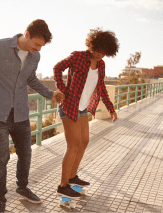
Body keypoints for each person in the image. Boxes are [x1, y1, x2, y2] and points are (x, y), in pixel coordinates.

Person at [0, 19, 65, 213]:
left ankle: (22, 187)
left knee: (26, 155)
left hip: (21, 114)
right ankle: (0, 201)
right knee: (1, 160)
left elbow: (31, 79)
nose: (38, 49)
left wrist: (50, 93)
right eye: (37, 44)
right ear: (27, 34)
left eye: (42, 46)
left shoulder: (34, 56)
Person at [53, 28, 119, 199]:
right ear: (92, 45)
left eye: (104, 52)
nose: (100, 55)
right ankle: (63, 185)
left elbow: (101, 88)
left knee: (84, 141)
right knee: (73, 144)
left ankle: (72, 176)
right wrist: (62, 89)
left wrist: (111, 108)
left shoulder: (101, 65)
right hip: (69, 105)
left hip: (82, 108)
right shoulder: (78, 56)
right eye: (98, 50)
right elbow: (57, 68)